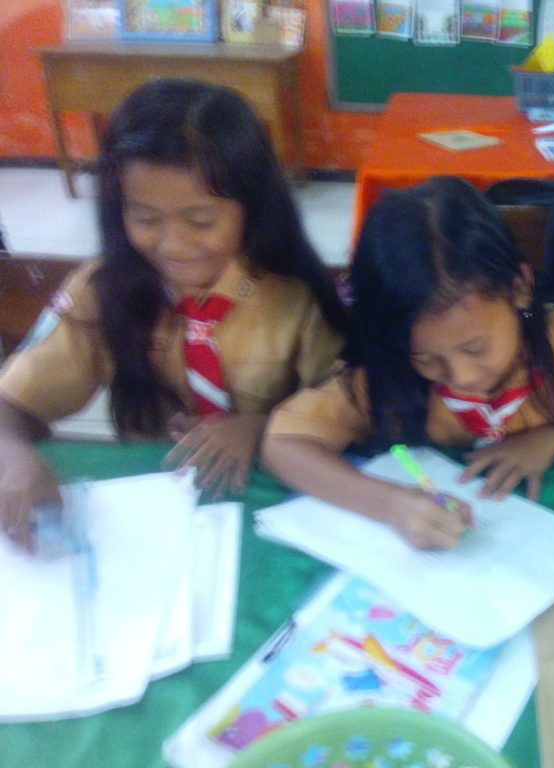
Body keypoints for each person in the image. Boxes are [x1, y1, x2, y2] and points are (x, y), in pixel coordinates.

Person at [0, 79, 348, 549]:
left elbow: (348, 406)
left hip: (276, 502)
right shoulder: (100, 294)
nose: (174, 245)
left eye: (201, 221)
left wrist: (263, 426)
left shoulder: (295, 297)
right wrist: (13, 457)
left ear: (251, 207)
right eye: (145, 218)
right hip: (153, 510)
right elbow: (11, 403)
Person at [262, 176, 554, 551]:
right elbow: (284, 444)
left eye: (476, 348)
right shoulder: (386, 374)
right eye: (425, 357)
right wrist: (389, 504)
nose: (461, 376)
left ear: (520, 288)